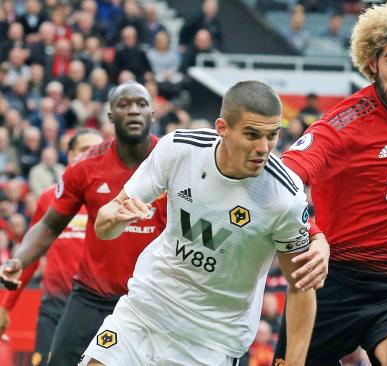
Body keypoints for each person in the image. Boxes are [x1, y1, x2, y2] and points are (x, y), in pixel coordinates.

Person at [80, 80, 317, 365]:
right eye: (252, 135)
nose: (263, 148)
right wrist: (110, 219)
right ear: (222, 129)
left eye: (272, 135)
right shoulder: (179, 150)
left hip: (210, 339)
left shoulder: (284, 196)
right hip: (146, 309)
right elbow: (106, 226)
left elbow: (302, 286)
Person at [275, 2, 387, 365]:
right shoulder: (341, 127)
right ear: (372, 62)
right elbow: (278, 180)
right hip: (333, 283)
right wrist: (312, 233)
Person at [0, 82, 168, 366]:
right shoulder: (86, 165)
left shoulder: (172, 162)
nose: (134, 111)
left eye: (141, 104)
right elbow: (49, 225)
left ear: (152, 112)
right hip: (93, 294)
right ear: (110, 115)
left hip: (153, 298)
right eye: (124, 105)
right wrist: (19, 258)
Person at [0, 128, 103, 366]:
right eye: (85, 150)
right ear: (70, 155)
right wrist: (6, 307)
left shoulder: (118, 199)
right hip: (54, 306)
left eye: (98, 150)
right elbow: (31, 256)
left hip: (97, 307)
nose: (93, 156)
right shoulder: (50, 198)